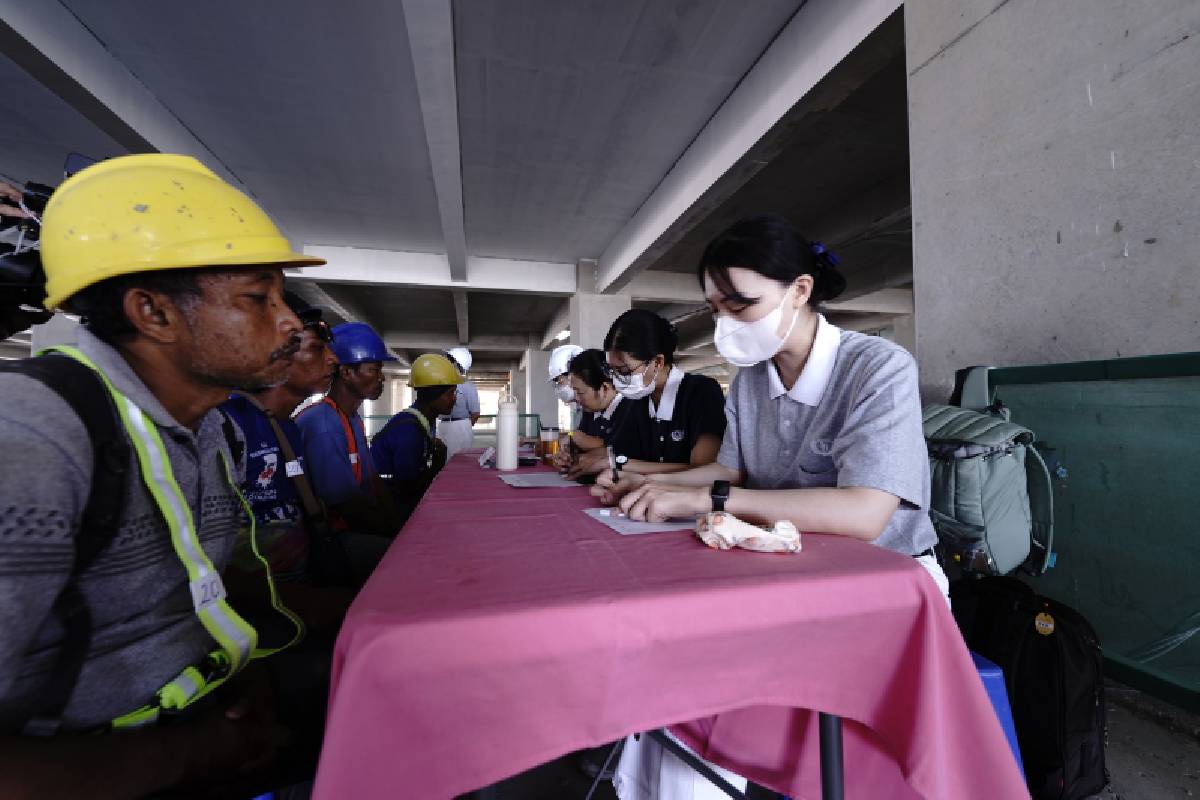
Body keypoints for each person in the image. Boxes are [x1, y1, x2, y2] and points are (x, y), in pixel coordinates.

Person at [0, 153, 327, 797]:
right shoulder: (35, 433)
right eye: (258, 298)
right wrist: (189, 753)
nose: (291, 322)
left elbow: (204, 591)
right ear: (152, 313)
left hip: (207, 712)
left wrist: (243, 677)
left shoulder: (207, 426)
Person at [596, 214, 949, 800]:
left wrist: (707, 498)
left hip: (887, 581)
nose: (726, 323)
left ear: (800, 290)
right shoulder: (753, 381)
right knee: (676, 668)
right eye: (716, 308)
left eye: (741, 304)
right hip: (788, 569)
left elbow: (865, 513)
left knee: (706, 680)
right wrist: (641, 482)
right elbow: (729, 469)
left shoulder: (877, 368)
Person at [296, 321, 400, 539]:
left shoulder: (351, 417)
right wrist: (393, 536)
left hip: (355, 526)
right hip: (334, 537)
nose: (381, 377)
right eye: (374, 369)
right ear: (345, 372)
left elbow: (372, 479)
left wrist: (398, 525)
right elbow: (346, 505)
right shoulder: (323, 424)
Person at [598, 309, 726, 477]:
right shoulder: (635, 400)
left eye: (623, 370)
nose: (617, 379)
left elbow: (703, 470)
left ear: (657, 362)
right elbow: (617, 455)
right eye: (611, 370)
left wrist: (625, 465)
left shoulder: (701, 392)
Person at [370, 353, 461, 525]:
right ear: (433, 395)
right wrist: (436, 465)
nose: (454, 399)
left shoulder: (423, 421)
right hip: (388, 507)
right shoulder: (409, 431)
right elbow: (408, 490)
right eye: (450, 393)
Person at [553, 348, 638, 479]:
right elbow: (580, 443)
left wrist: (586, 447)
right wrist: (568, 455)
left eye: (580, 392)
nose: (576, 398)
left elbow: (621, 453)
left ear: (604, 388)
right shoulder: (591, 410)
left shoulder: (632, 410)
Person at [436, 346, 480, 459]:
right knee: (441, 461)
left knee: (458, 462)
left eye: (449, 359)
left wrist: (464, 427)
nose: (445, 362)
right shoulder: (440, 383)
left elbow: (475, 413)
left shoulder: (467, 386)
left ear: (457, 364)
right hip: (442, 425)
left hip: (460, 426)